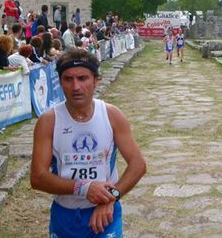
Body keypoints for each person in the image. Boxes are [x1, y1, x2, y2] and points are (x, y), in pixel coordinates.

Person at [30, 49, 146, 237]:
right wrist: (83, 187)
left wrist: (112, 199)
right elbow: (37, 177)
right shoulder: (49, 121)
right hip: (65, 215)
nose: (76, 86)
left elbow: (138, 164)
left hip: (105, 214)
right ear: (60, 83)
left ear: (95, 80)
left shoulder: (111, 115)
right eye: (68, 79)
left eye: (82, 78)